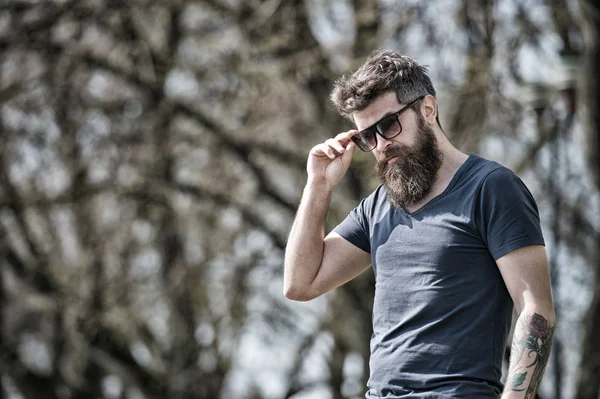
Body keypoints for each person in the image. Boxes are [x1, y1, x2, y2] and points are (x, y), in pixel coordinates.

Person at [283, 49, 556, 398]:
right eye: (368, 136)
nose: (381, 144)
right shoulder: (377, 207)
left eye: (388, 125)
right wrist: (318, 186)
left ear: (427, 109)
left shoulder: (491, 187)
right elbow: (300, 284)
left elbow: (537, 311)